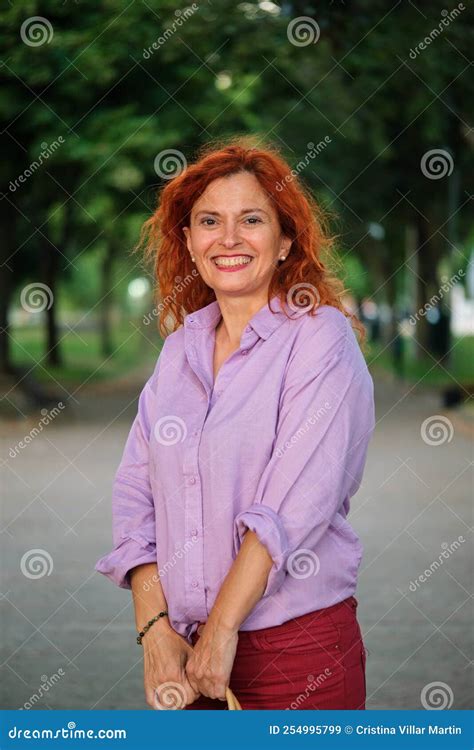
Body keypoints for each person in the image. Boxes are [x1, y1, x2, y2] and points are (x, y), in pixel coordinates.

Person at [95, 137, 375, 710]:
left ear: (285, 240)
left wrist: (222, 630)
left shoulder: (319, 337)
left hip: (294, 651)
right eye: (208, 222)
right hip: (184, 648)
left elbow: (296, 501)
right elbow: (135, 497)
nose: (228, 238)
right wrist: (155, 636)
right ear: (190, 242)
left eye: (251, 219)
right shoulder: (180, 351)